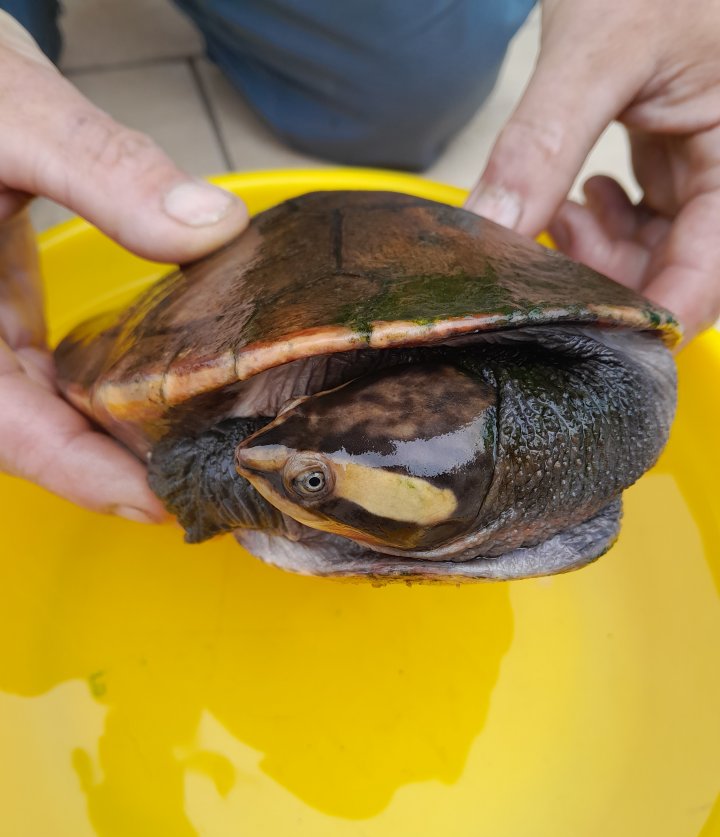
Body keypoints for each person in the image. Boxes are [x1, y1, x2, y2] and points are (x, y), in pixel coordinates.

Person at [1, 0, 718, 525]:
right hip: (269, 286)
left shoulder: (608, 402)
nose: (249, 456)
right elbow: (237, 454)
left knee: (408, 90)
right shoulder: (258, 446)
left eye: (313, 481)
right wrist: (214, 471)